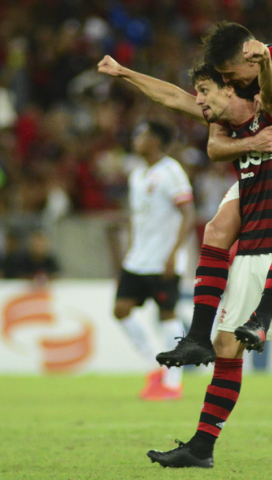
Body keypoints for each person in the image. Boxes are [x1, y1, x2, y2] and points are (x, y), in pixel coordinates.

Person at [98, 20, 272, 366]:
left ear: (250, 59)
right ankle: (198, 337)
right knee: (216, 230)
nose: (228, 83)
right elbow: (177, 99)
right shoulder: (239, 91)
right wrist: (125, 73)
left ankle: (262, 318)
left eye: (230, 75)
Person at [145, 52, 272, 469]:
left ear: (232, 87)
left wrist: (265, 59)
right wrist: (122, 73)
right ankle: (201, 448)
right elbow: (175, 100)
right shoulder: (229, 128)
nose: (198, 100)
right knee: (224, 347)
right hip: (250, 249)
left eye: (205, 91)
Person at [113, 121, 196, 401]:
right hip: (138, 258)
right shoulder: (137, 175)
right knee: (121, 309)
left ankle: (173, 383)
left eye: (143, 134)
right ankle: (155, 366)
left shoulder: (171, 171)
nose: (137, 138)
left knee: (167, 314)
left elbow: (188, 214)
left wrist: (174, 253)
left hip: (163, 260)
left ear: (157, 141)